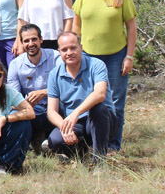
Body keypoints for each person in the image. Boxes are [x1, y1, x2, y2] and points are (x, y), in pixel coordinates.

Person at [71, 0, 136, 152]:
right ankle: (91, 142)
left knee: (115, 101)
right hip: (89, 56)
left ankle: (113, 144)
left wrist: (129, 56)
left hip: (115, 56)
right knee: (89, 99)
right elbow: (76, 26)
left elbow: (131, 28)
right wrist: (74, 51)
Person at [45, 32, 117, 163]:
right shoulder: (54, 74)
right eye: (64, 49)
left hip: (101, 121)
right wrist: (64, 127)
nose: (69, 53)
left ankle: (99, 161)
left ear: (81, 48)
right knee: (55, 140)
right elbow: (51, 111)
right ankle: (81, 153)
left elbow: (100, 94)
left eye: (73, 48)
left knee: (98, 109)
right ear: (59, 52)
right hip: (75, 125)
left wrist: (76, 113)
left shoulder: (96, 65)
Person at [7, 24, 60, 148]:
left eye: (34, 39)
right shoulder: (15, 65)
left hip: (56, 107)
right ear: (21, 43)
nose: (31, 44)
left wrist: (45, 92)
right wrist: (25, 104)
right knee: (13, 111)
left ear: (41, 39)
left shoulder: (56, 58)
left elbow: (66, 87)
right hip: (32, 110)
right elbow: (14, 96)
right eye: (26, 41)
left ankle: (53, 139)